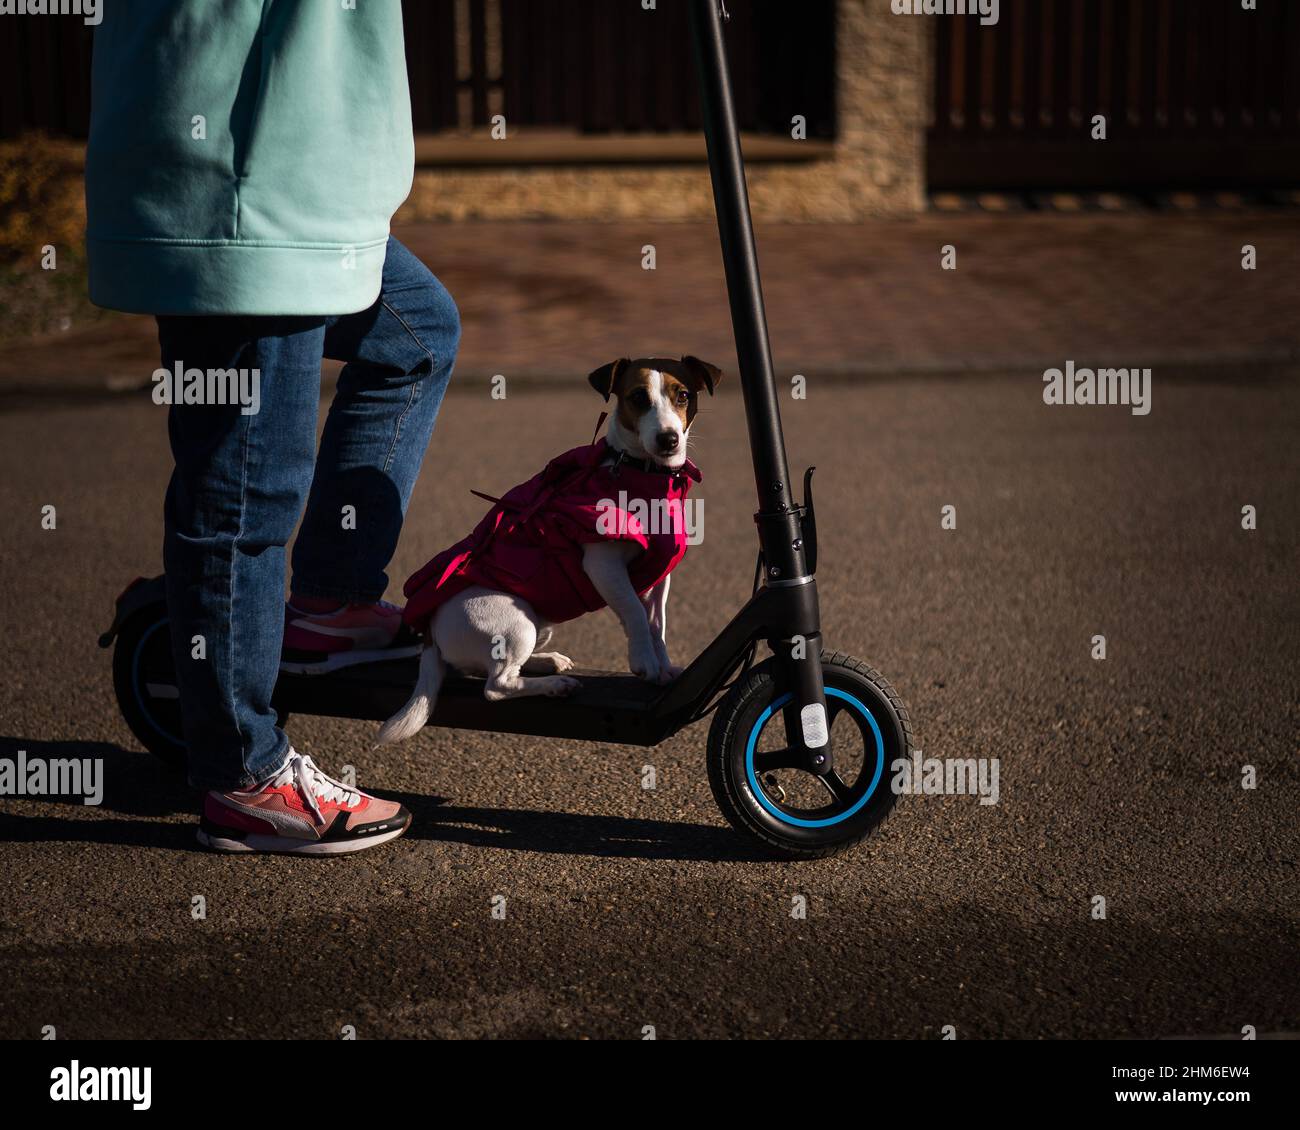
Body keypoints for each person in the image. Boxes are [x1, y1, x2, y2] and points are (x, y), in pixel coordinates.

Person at [85, 1, 457, 854]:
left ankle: (326, 598)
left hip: (304, 175)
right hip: (242, 177)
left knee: (416, 337)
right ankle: (242, 774)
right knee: (246, 489)